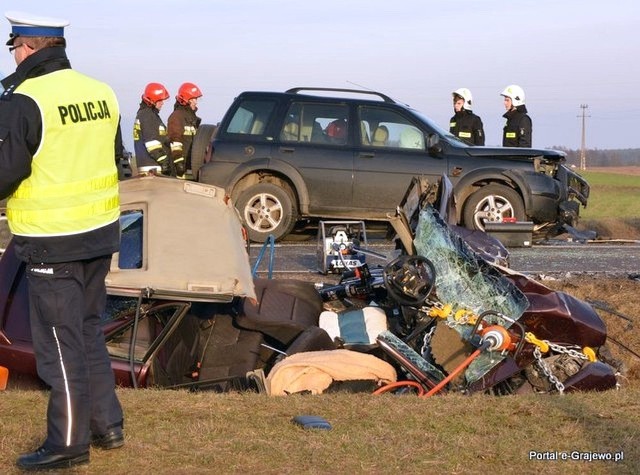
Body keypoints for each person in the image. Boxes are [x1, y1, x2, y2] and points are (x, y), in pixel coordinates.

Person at [0, 11, 124, 470]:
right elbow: (112, 158)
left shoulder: (24, 99)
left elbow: (5, 171)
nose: (11, 56)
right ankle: (106, 425)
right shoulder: (101, 92)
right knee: (88, 330)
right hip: (99, 233)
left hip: (53, 239)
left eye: (12, 47)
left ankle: (67, 444)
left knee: (57, 343)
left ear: (26, 47)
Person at [133, 82, 174, 175]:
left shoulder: (144, 114)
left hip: (149, 166)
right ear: (152, 101)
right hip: (153, 168)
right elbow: (152, 143)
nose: (162, 103)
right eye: (160, 100)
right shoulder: (148, 116)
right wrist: (164, 162)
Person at [167, 82, 203, 178]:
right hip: (181, 172)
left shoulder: (192, 119)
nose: (196, 102)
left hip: (191, 168)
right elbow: (175, 141)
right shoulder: (177, 117)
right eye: (194, 99)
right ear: (186, 100)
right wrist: (179, 163)